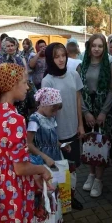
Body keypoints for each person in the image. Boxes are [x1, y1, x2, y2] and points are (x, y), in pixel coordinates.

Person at [0, 63, 52, 222]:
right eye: (24, 82)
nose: (27, 87)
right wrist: (42, 170)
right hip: (13, 185)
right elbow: (20, 168)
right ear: (11, 84)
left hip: (0, 180)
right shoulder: (14, 119)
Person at [42, 42, 85, 210]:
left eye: (63, 55)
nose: (61, 60)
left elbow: (78, 99)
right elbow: (46, 111)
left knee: (73, 168)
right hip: (57, 134)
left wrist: (81, 125)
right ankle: (61, 200)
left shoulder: (74, 74)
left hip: (73, 129)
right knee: (60, 169)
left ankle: (70, 197)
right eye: (56, 56)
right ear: (50, 59)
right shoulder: (48, 80)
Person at [80, 34, 112, 198]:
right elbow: (78, 92)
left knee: (101, 144)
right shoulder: (82, 66)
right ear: (89, 47)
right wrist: (85, 112)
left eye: (100, 46)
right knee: (89, 143)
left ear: (104, 48)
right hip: (87, 109)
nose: (97, 49)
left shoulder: (110, 66)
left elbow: (111, 90)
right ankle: (91, 174)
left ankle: (99, 179)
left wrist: (103, 112)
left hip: (103, 110)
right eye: (94, 45)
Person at [27, 87, 71, 166]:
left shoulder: (51, 118)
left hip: (55, 157)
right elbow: (29, 144)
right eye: (53, 110)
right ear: (44, 104)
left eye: (56, 111)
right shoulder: (35, 120)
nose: (55, 114)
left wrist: (61, 145)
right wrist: (45, 158)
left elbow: (52, 139)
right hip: (42, 161)